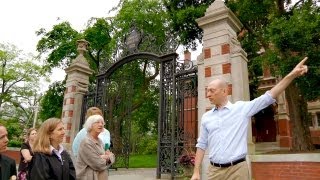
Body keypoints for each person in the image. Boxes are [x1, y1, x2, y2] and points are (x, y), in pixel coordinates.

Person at [191, 57, 309, 180]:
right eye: (207, 91)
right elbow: (202, 144)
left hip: (237, 171)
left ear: (224, 91)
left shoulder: (241, 109)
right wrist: (196, 171)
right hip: (214, 172)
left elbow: (269, 96)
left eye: (211, 91)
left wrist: (292, 74)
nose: (208, 94)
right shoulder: (206, 117)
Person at [75, 115, 115, 180]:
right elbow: (98, 164)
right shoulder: (86, 142)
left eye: (102, 123)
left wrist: (106, 157)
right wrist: (107, 158)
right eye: (97, 122)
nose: (101, 125)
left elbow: (112, 156)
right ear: (90, 125)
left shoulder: (100, 141)